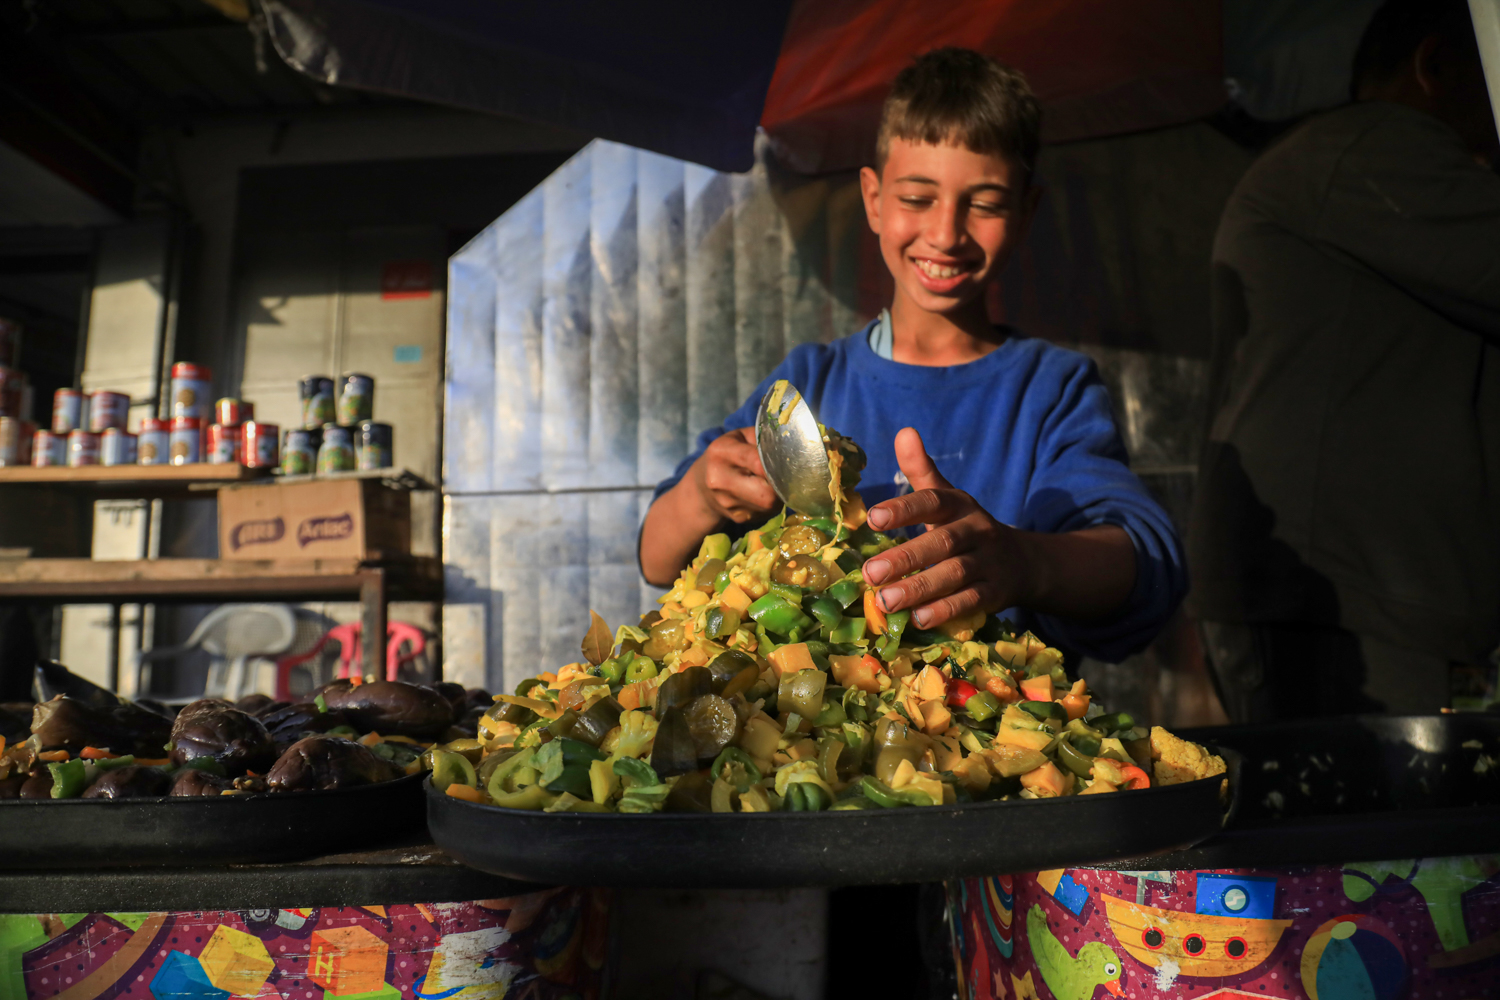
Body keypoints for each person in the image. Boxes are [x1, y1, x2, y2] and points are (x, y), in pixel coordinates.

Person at [640, 48, 1185, 665]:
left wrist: (1021, 561)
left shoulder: (1052, 388)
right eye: (918, 197)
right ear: (873, 199)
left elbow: (1145, 561)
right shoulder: (808, 383)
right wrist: (703, 495)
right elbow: (659, 559)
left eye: (984, 203)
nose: (947, 233)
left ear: (1026, 212)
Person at [1189, 0, 1500, 721]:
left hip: (1356, 606)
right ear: (1437, 66)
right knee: (1369, 826)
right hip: (1339, 612)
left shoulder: (1344, 164)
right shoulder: (1370, 147)